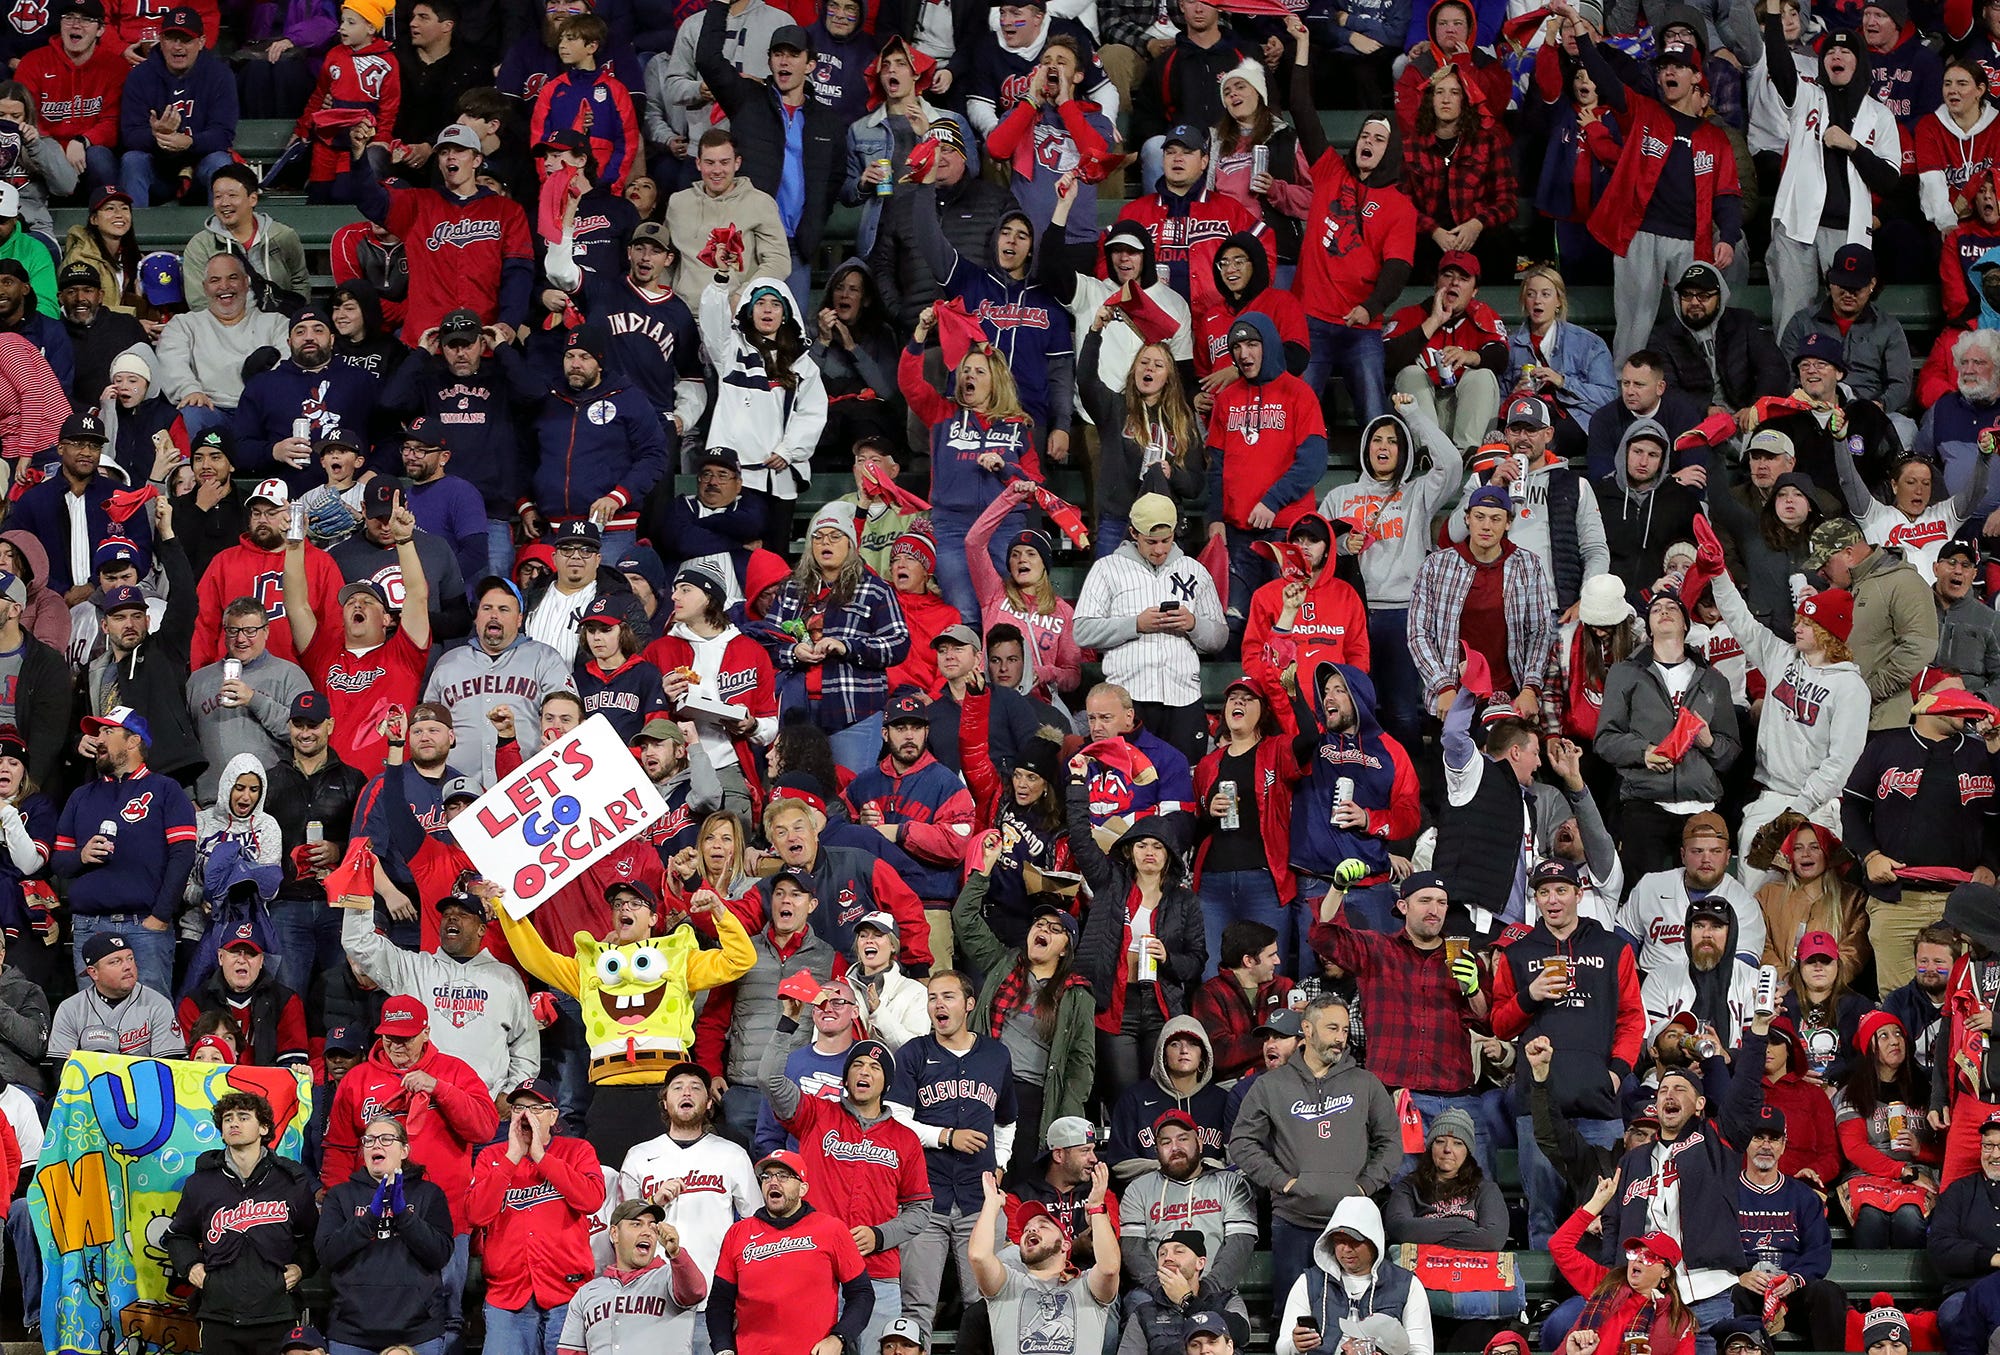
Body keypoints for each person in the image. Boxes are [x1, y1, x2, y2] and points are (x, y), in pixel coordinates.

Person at [1566, 4, 1744, 364]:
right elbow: (1605, 78)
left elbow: (1728, 193)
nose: (1668, 74)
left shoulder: (1716, 138)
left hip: (1690, 241)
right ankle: (1623, 395)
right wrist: (1579, 31)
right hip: (1640, 235)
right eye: (1663, 68)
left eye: (1677, 67)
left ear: (1696, 77)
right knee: (1633, 328)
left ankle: (1702, 396)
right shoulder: (1643, 112)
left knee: (1698, 327)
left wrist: (1728, 235)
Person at [320, 996, 498, 1349]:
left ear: (426, 1032)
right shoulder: (358, 1079)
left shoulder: (454, 1071)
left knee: (447, 1312)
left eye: (405, 1037)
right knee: (369, 1310)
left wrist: (439, 1089)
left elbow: (484, 1128)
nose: (396, 1045)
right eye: (389, 1037)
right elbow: (339, 1147)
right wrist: (340, 1203)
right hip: (373, 1215)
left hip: (442, 1216)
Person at [759, 1015, 928, 1355]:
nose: (865, 1072)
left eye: (875, 1069)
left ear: (887, 1083)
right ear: (846, 1076)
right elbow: (769, 1078)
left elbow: (920, 1210)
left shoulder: (905, 1140)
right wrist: (787, 1024)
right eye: (858, 1065)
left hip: (877, 1273)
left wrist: (880, 1234)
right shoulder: (815, 1114)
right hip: (814, 1270)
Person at [1229, 994, 1398, 1319]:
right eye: (1332, 1028)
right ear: (1306, 1029)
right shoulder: (1271, 1085)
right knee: (1295, 1322)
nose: (1340, 1038)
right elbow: (1242, 1142)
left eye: (1346, 1030)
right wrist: (1284, 1182)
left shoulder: (1365, 1083)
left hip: (1353, 1224)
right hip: (1294, 1221)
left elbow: (1391, 1142)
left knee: (1357, 1321)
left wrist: (1363, 1187)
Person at [1308, 870, 1490, 1160]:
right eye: (1425, 901)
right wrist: (1338, 887)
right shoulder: (1377, 949)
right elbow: (1324, 937)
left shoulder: (1463, 957)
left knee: (1472, 1193)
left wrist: (1473, 989)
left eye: (1442, 903)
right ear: (1403, 906)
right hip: (1394, 1095)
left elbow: (1486, 1020)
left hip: (1455, 1097)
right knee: (1399, 1193)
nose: (1434, 910)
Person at [885, 971, 1018, 1348]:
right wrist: (945, 1137)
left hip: (980, 1201)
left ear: (969, 1004)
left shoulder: (995, 1054)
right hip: (923, 1199)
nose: (938, 1004)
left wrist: (1002, 1161)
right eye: (932, 998)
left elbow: (1007, 1119)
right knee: (916, 1308)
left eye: (948, 996)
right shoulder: (913, 1052)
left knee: (989, 1305)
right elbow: (895, 1122)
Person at [1287, 34, 1414, 426]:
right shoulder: (1329, 171)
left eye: (1378, 139)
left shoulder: (1400, 206)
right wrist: (1303, 46)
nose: (1367, 142)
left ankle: (1383, 485)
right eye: (1364, 136)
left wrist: (1371, 307)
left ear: (1390, 151)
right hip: (1311, 318)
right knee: (1299, 413)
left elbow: (1397, 268)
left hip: (1361, 325)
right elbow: (1301, 107)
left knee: (1376, 414)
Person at [1843, 678, 2000, 988]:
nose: (1963, 699)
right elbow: (1853, 806)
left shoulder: (1981, 752)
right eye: (1952, 692)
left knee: (1967, 1000)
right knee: (1897, 1008)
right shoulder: (1885, 746)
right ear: (1925, 699)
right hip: (1898, 900)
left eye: (1966, 693)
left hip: (1962, 905)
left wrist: (1991, 864)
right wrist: (1870, 855)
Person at [952, 837, 1097, 1162]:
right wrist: (984, 869)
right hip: (982, 1084)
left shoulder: (1076, 993)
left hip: (1033, 1096)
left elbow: (1080, 1063)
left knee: (1018, 1181)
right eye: (1040, 923)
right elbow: (964, 919)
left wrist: (1066, 1120)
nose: (1043, 929)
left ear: (1065, 949)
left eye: (1055, 929)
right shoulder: (1003, 963)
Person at [1072, 494, 1228, 764]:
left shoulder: (1195, 570)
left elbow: (1219, 638)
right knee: (1130, 782)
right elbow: (1082, 631)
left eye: (1166, 541)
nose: (1159, 549)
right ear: (1134, 532)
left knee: (1185, 780)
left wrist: (1193, 624)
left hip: (1183, 698)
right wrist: (1135, 624)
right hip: (1128, 698)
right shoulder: (1107, 569)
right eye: (1151, 542)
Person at [53, 705, 196, 996]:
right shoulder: (80, 796)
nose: (98, 740)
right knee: (94, 1026)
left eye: (107, 731)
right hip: (90, 927)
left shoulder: (167, 790)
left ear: (133, 741)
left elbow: (182, 857)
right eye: (97, 733)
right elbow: (58, 862)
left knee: (150, 1024)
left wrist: (160, 917)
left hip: (144, 925)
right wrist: (81, 855)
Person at [346, 121, 532, 344]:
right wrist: (358, 158)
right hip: (427, 339)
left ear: (477, 160)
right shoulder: (418, 203)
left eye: (460, 150)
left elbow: (518, 271)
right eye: (444, 152)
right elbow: (370, 200)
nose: (450, 157)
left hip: (484, 336)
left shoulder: (507, 211)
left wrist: (509, 320)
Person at [162, 1091, 319, 1355]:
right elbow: (179, 1236)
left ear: (264, 1127)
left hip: (276, 1313)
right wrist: (191, 1267)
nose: (234, 1123)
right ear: (221, 1131)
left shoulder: (291, 1180)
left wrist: (301, 1268)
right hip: (218, 1313)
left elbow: (313, 1236)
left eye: (243, 1117)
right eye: (227, 1119)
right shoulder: (200, 1183)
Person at [466, 1079, 605, 1355]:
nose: (526, 1115)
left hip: (567, 1292)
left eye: (536, 1108)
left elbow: (591, 1200)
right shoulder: (492, 1157)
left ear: (553, 1116)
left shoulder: (577, 1151)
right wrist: (513, 1157)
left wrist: (541, 1157)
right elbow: (476, 1214)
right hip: (507, 1297)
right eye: (518, 1108)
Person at [1409, 482, 1558, 722]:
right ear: (1467, 519)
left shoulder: (1528, 565)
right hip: (1453, 697)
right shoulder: (1436, 566)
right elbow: (1418, 633)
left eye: (1496, 519)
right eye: (1479, 517)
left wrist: (1530, 687)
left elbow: (1539, 631)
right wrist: (1443, 687)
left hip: (1509, 696)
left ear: (1508, 523)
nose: (1486, 526)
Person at [708, 1149, 873, 1355]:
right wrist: (723, 1348)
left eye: (784, 1176)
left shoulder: (831, 1230)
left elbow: (862, 1293)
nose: (773, 1182)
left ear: (803, 1188)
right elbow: (719, 1301)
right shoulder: (738, 1233)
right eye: (767, 1176)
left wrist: (839, 1338)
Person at [316, 1114, 457, 1355]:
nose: (376, 1145)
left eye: (386, 1139)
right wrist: (370, 1217)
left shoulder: (429, 1194)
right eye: (369, 1140)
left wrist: (403, 1215)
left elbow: (439, 1254)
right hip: (352, 1335)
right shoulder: (340, 1195)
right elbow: (327, 1254)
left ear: (404, 1150)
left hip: (418, 1333)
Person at [1808, 517, 1941, 733]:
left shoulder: (1904, 582)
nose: (1819, 572)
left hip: (1886, 725)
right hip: (1847, 719)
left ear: (1849, 555)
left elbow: (1918, 651)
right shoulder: (1848, 588)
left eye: (1825, 564)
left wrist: (1866, 692)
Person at [1383, 1110, 1519, 1318]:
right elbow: (1401, 1229)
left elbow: (1492, 1239)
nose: (1448, 1149)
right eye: (1440, 1141)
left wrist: (1426, 1235)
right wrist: (1463, 1225)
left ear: (1468, 1151)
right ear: (1430, 1147)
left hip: (1473, 1280)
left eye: (1457, 1143)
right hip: (1424, 1281)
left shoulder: (1485, 1189)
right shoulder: (1409, 1186)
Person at [1547, 1179, 1697, 1355]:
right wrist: (1597, 1203)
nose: (1637, 1260)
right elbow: (1559, 1246)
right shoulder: (1605, 1283)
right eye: (1634, 1253)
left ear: (1665, 1271)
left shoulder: (1678, 1320)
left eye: (1648, 1256)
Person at [1274, 1196, 1433, 1355]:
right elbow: (1282, 1346)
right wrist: (1295, 1346)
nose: (1346, 1249)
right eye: (1339, 1241)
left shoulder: (1406, 1284)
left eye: (1355, 1241)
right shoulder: (1309, 1282)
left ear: (1374, 1240)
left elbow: (1421, 1350)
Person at [1383, 251, 1509, 450]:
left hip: (1464, 415)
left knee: (1483, 375)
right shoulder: (1408, 316)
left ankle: (1468, 452)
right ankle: (1429, 452)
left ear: (1474, 290)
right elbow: (1386, 360)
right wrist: (1433, 321)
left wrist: (1470, 356)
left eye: (1464, 278)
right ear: (1436, 283)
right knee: (1410, 373)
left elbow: (1500, 357)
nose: (1454, 283)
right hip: (1421, 419)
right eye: (1448, 275)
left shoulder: (1484, 316)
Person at [46, 930, 185, 1058]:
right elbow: (61, 1068)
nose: (128, 966)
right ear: (93, 972)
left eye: (130, 958)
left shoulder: (158, 1004)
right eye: (116, 962)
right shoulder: (70, 1009)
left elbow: (168, 1066)